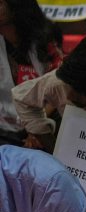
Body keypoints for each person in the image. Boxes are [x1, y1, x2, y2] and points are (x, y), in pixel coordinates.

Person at [0, 0, 63, 145]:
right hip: (6, 122)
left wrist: (35, 128)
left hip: (45, 114)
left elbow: (59, 90)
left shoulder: (45, 38)